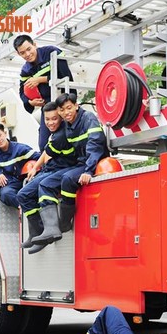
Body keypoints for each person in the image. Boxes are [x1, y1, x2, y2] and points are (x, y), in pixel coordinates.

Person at [16, 102, 72, 254]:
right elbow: (46, 153)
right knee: (23, 195)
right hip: (50, 169)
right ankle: (37, 233)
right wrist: (34, 168)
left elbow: (48, 153)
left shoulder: (61, 134)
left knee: (35, 190)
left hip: (60, 170)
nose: (50, 122)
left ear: (60, 117)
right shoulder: (53, 132)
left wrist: (38, 168)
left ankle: (46, 231)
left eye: (54, 118)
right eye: (47, 119)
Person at [55, 92, 109, 232]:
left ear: (76, 106)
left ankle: (65, 223)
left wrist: (89, 171)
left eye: (69, 108)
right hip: (82, 163)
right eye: (62, 110)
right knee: (57, 178)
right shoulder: (67, 125)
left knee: (67, 179)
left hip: (95, 162)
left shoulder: (88, 118)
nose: (66, 112)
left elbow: (95, 144)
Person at [14, 34, 75, 151]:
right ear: (18, 54)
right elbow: (22, 92)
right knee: (43, 144)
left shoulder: (52, 52)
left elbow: (65, 76)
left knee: (67, 137)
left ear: (34, 44)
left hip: (64, 102)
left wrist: (40, 79)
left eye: (29, 49)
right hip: (46, 106)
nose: (27, 54)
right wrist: (30, 102)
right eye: (22, 53)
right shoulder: (25, 70)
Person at [0, 123, 40, 208]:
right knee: (5, 194)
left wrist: (34, 168)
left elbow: (39, 158)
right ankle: (24, 207)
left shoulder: (21, 149)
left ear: (5, 133)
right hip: (9, 184)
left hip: (27, 181)